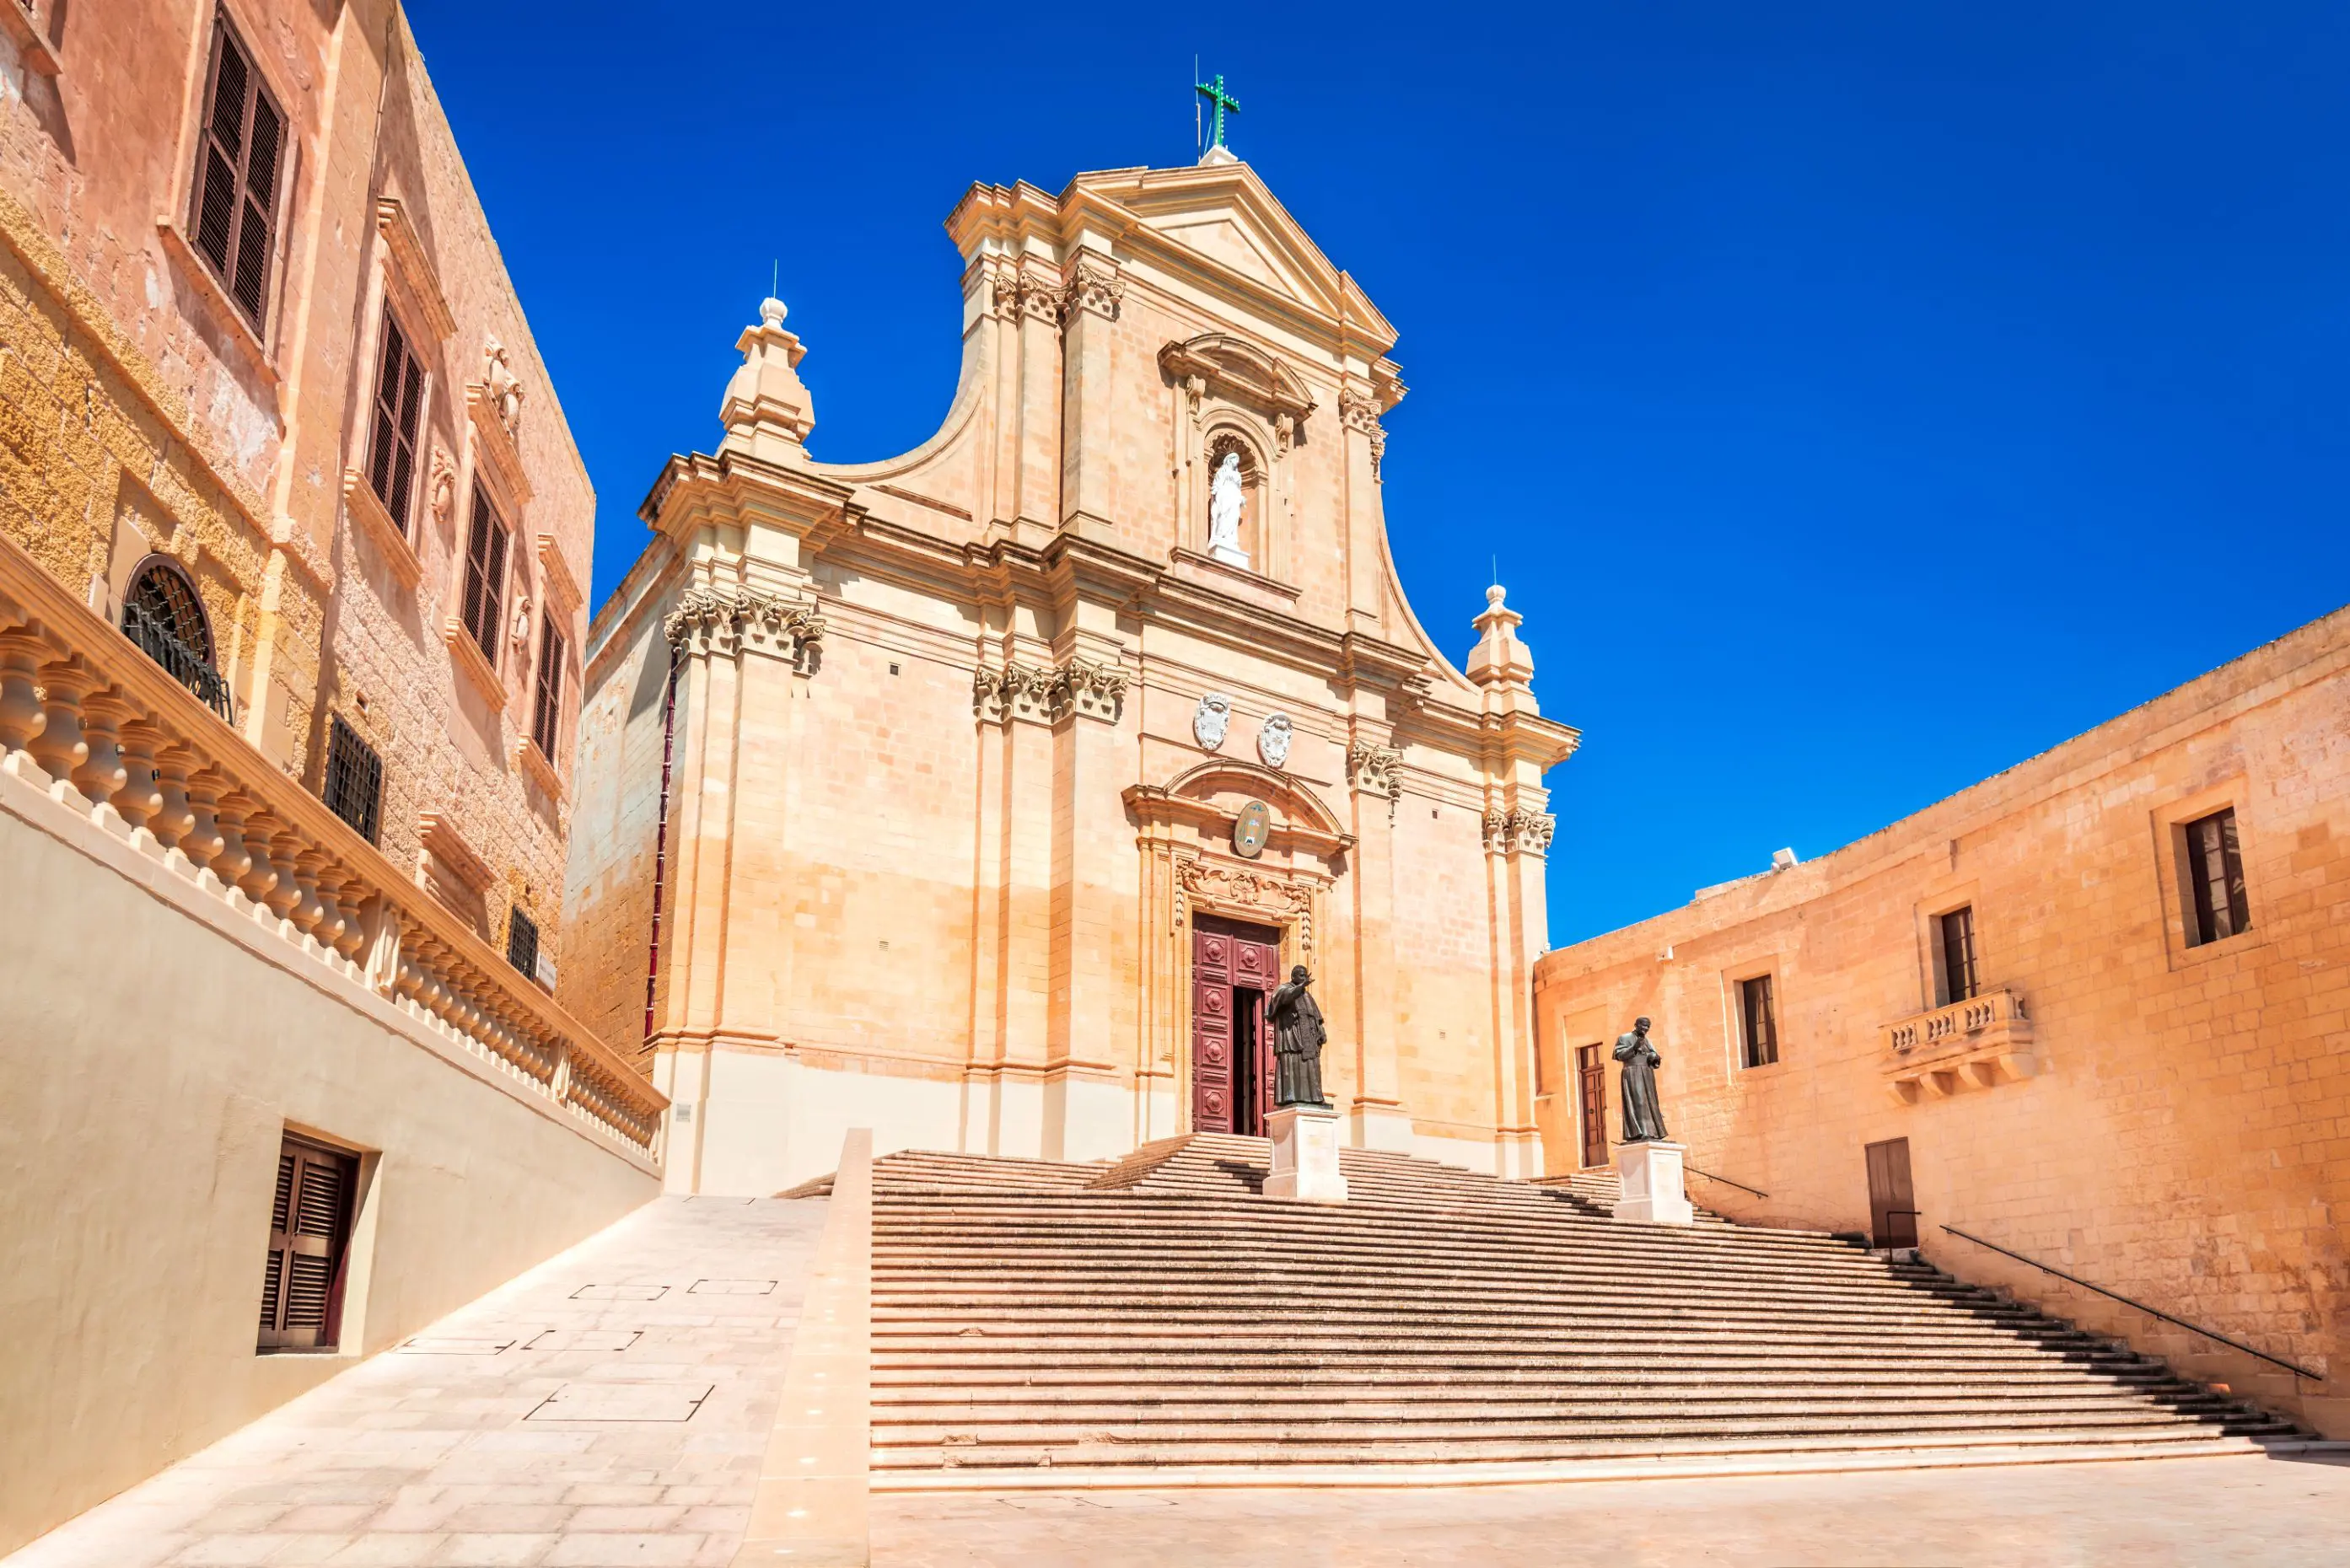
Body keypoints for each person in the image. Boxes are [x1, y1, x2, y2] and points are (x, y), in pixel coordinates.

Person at [1265, 964, 1328, 1109]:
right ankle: (1291, 1097)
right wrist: (1301, 987)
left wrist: (1321, 1031)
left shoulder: (1307, 996)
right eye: (1301, 976)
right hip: (1292, 1037)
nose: (1304, 979)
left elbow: (1316, 1016)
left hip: (1309, 1039)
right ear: (1293, 977)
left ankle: (1315, 1098)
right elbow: (1284, 997)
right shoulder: (1282, 989)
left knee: (1312, 1066)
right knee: (1292, 1064)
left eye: (1306, 976)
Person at [1613, 1016, 1668, 1143]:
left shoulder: (1647, 1041)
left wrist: (1654, 1057)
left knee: (1651, 1102)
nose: (1646, 1028)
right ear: (1636, 1025)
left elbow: (1651, 1055)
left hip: (1647, 1072)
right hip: (1633, 1071)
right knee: (1639, 1102)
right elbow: (1619, 1055)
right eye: (1643, 1025)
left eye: (1648, 1026)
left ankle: (1654, 1132)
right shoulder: (1624, 1038)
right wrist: (1634, 1047)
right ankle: (1641, 1131)